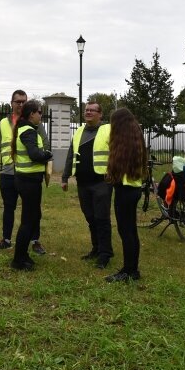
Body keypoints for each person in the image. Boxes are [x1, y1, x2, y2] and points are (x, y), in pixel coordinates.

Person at [0, 90, 49, 255]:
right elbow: (1, 145)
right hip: (9, 172)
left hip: (28, 173)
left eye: (24, 101)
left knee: (33, 208)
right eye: (18, 101)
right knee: (9, 207)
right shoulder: (3, 123)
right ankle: (6, 240)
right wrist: (9, 163)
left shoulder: (35, 123)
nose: (21, 104)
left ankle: (35, 240)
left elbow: (44, 143)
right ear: (12, 103)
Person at [61, 101, 113, 269]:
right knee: (90, 218)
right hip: (83, 183)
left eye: (92, 110)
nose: (88, 112)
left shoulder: (108, 130)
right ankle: (96, 249)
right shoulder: (78, 132)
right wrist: (65, 176)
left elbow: (117, 152)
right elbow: (71, 155)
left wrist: (114, 171)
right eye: (87, 110)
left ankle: (105, 254)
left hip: (101, 183)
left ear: (100, 114)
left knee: (102, 218)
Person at [104, 108, 147, 282]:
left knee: (126, 230)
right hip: (134, 188)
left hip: (125, 190)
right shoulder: (135, 137)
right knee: (131, 230)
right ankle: (132, 269)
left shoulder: (121, 142)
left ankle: (128, 270)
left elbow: (116, 168)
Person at [10, 100, 53, 270]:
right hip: (29, 182)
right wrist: (47, 154)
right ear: (31, 114)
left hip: (26, 180)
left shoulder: (25, 129)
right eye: (40, 112)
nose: (41, 115)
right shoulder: (28, 131)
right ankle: (18, 260)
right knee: (28, 221)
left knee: (32, 218)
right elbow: (35, 154)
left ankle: (23, 255)